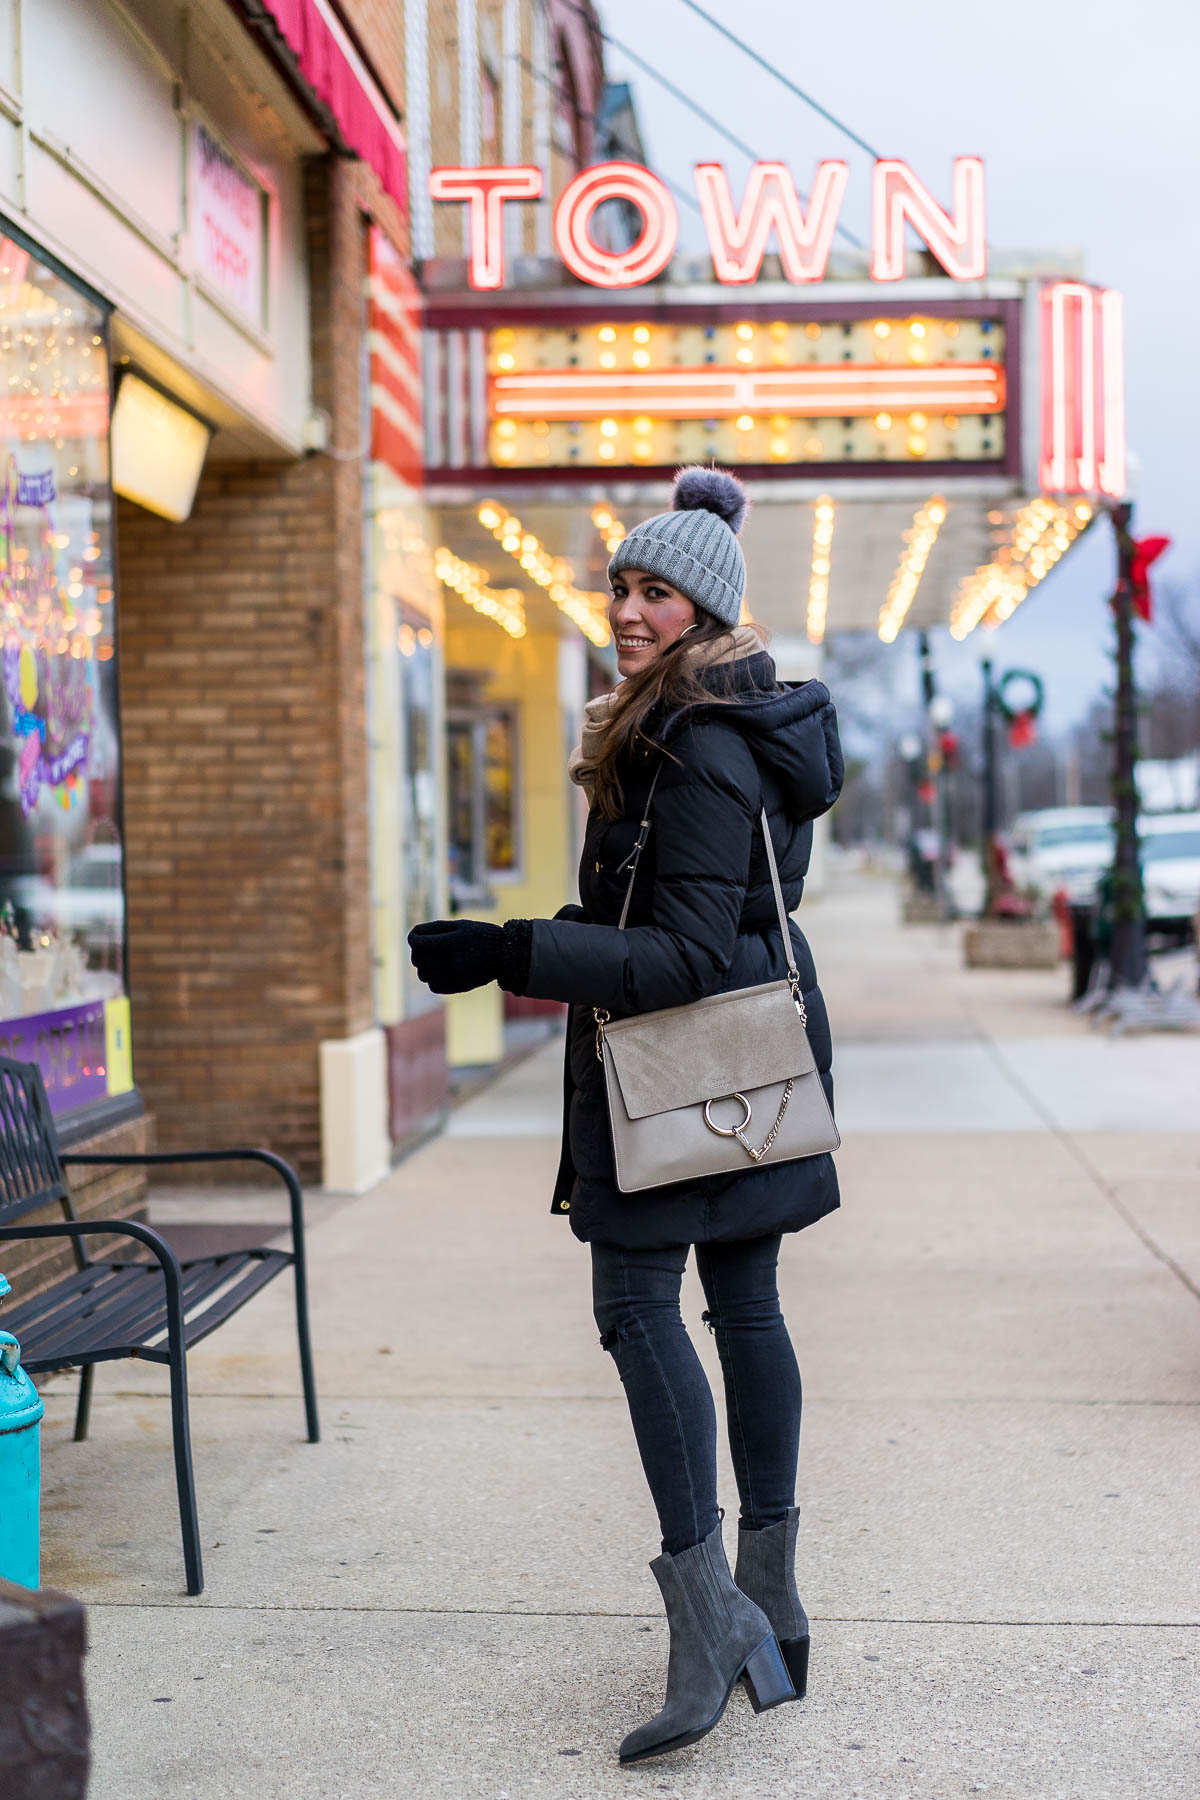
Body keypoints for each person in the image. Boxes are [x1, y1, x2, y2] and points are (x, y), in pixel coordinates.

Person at [409, 467, 843, 1764]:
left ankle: (711, 1620)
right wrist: (541, 939)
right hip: (742, 1060)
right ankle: (766, 1597)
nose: (629, 609)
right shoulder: (709, 722)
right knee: (744, 1306)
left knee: (640, 1310)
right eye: (621, 586)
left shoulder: (696, 742)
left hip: (688, 1055)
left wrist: (513, 950)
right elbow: (670, 922)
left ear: (704, 614)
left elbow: (686, 955)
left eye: (656, 591)